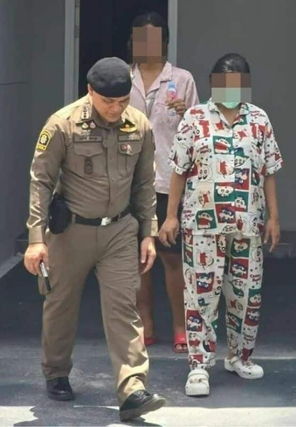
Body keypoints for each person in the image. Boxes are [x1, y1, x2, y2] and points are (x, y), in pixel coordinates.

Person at [23, 57, 166, 421]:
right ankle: (56, 371)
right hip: (71, 232)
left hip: (120, 231)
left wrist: (147, 233)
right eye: (108, 102)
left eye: (123, 101)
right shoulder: (63, 124)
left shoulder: (139, 125)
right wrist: (36, 239)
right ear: (90, 91)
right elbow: (41, 181)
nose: (116, 109)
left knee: (124, 308)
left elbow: (145, 183)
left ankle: (132, 388)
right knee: (61, 305)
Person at [159, 53, 284, 397]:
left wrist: (274, 217)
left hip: (248, 223)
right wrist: (170, 215)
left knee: (246, 293)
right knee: (201, 295)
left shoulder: (258, 119)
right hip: (202, 224)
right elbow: (179, 170)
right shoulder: (194, 118)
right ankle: (199, 366)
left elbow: (269, 171)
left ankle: (240, 356)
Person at [128, 11, 200, 353]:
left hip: (169, 183)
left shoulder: (181, 79)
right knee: (138, 258)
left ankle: (180, 326)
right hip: (130, 182)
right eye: (140, 38)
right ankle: (145, 323)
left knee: (172, 257)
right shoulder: (123, 77)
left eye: (153, 39)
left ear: (165, 42)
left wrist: (186, 112)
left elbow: (198, 130)